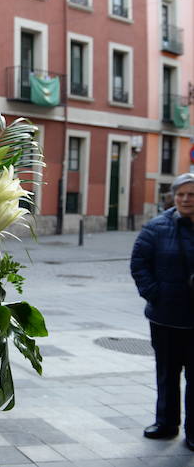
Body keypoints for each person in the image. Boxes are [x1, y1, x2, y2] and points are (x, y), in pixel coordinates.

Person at [131, 172, 194, 451]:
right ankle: (166, 423)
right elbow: (139, 262)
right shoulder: (156, 227)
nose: (185, 199)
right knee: (167, 373)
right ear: (173, 197)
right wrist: (154, 293)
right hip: (165, 317)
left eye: (192, 195)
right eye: (181, 194)